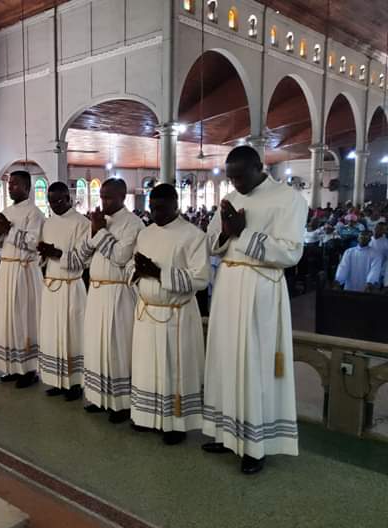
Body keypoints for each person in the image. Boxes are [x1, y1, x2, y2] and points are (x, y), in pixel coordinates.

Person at [202, 145, 308, 474]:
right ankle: (225, 432)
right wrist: (224, 231)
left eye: (239, 176)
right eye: (230, 177)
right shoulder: (232, 197)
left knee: (253, 364)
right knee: (224, 359)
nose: (235, 183)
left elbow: (291, 253)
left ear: (259, 166)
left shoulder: (287, 199)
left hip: (260, 290)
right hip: (228, 286)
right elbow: (209, 242)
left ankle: (254, 446)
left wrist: (242, 233)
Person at [129, 184, 209, 444]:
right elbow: (134, 264)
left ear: (176, 205)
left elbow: (201, 279)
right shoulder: (145, 233)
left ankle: (175, 423)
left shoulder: (193, 235)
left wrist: (159, 273)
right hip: (147, 311)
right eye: (152, 208)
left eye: (161, 208)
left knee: (173, 370)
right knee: (147, 367)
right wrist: (138, 271)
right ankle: (147, 415)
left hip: (176, 315)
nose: (155, 213)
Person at [73, 178, 144, 423]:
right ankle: (99, 396)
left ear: (123, 197)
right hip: (96, 291)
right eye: (102, 196)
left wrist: (100, 231)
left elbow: (122, 257)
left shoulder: (133, 223)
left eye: (109, 197)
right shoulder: (98, 221)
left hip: (118, 293)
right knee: (96, 346)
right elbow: (81, 256)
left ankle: (122, 404)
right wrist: (94, 231)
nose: (103, 201)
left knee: (117, 348)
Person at [36, 181, 90, 401]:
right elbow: (43, 256)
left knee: (71, 335)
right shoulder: (47, 223)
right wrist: (43, 254)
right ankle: (57, 380)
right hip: (51, 285)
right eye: (51, 202)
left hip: (70, 285)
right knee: (53, 334)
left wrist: (55, 252)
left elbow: (82, 260)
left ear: (69, 198)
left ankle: (75, 384)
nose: (56, 205)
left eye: (60, 200)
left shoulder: (82, 223)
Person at [0, 170, 45, 388]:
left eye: (15, 184)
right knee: (7, 319)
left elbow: (34, 242)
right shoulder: (6, 210)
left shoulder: (34, 213)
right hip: (6, 269)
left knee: (24, 318)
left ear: (27, 187)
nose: (10, 187)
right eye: (9, 184)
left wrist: (9, 230)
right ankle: (12, 366)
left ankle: (29, 369)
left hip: (24, 271)